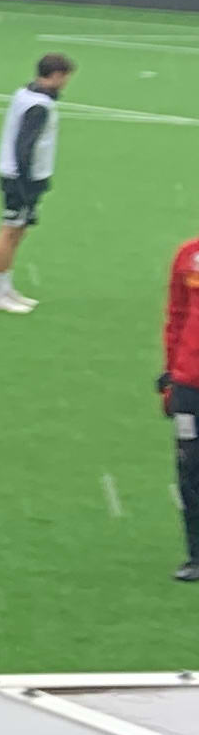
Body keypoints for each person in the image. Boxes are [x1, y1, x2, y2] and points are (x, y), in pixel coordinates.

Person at [0, 52, 74, 313]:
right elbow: (24, 148)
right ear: (56, 76)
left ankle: (4, 288)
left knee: (18, 231)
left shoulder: (25, 94)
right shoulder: (39, 106)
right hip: (21, 178)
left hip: (24, 176)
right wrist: (25, 186)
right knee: (10, 230)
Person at [162, 226, 199, 578]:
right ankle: (196, 555)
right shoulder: (189, 256)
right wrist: (170, 375)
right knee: (190, 468)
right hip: (189, 385)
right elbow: (176, 315)